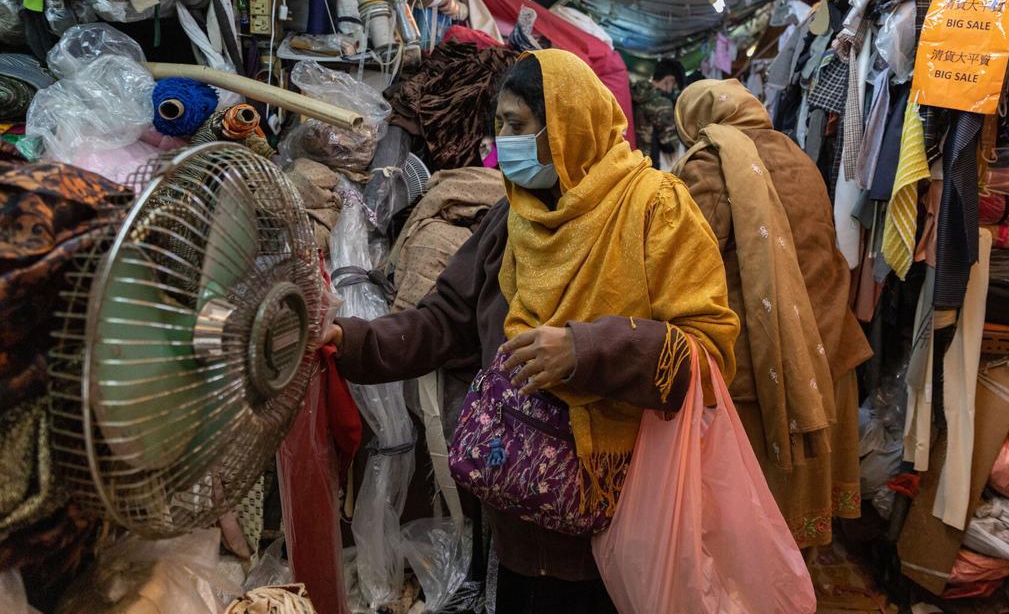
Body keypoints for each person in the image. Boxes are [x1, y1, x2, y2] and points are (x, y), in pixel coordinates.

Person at [324, 50, 738, 612]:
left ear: (566, 126)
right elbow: (443, 320)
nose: (503, 142)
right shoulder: (510, 218)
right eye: (498, 125)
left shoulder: (656, 211)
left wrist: (585, 350)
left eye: (516, 126)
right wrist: (350, 340)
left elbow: (706, 354)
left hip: (618, 516)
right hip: (515, 506)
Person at [673, 78, 873, 549]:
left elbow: (686, 263)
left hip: (764, 376)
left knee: (744, 544)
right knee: (792, 542)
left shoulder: (710, 163)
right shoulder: (796, 154)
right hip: (827, 357)